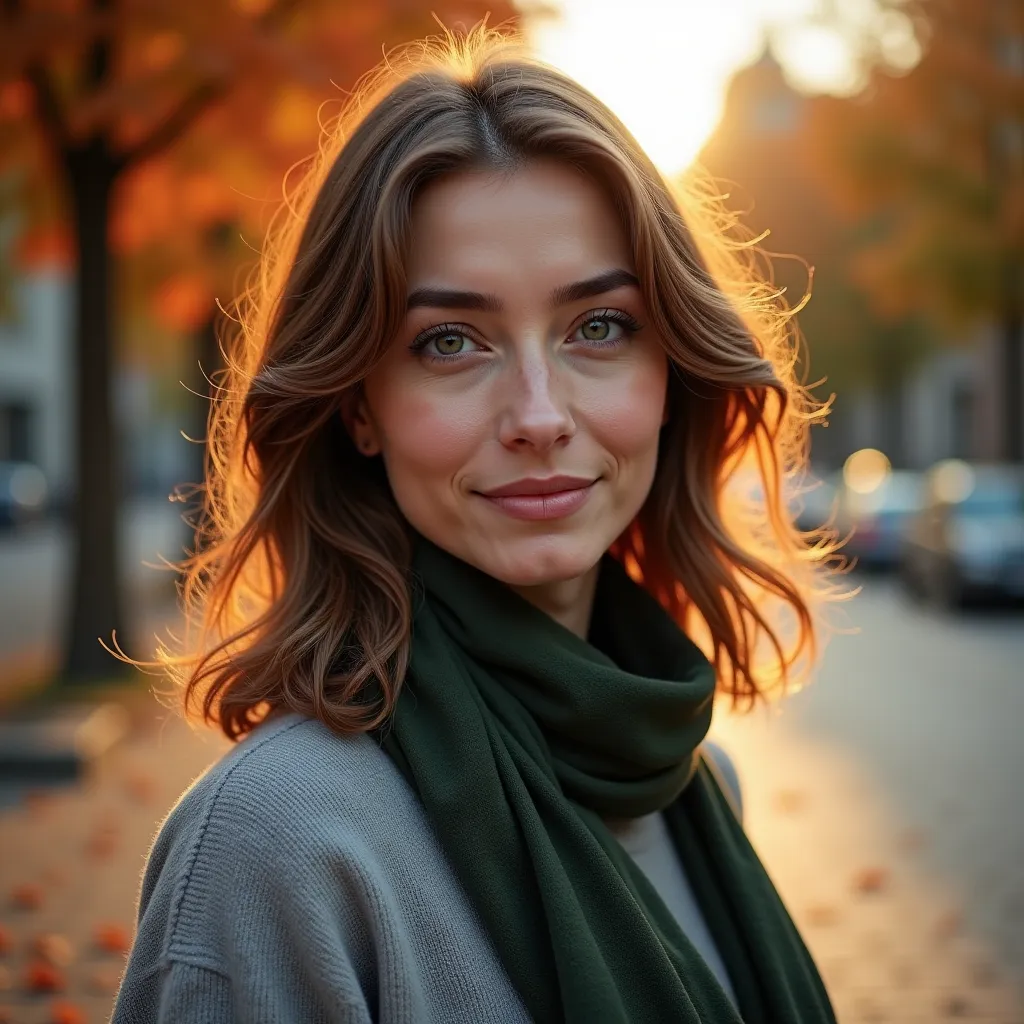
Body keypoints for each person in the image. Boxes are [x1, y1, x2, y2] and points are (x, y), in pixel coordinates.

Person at [111, 26, 839, 1024]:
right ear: (357, 405)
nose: (539, 414)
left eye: (599, 327)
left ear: (671, 372)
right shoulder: (276, 846)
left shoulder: (694, 787)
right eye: (450, 341)